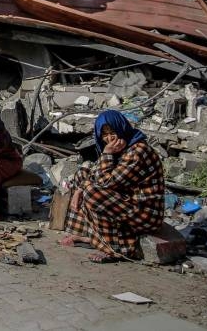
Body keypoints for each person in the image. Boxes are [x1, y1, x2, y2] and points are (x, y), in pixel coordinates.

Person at [59, 110, 164, 262]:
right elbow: (94, 173)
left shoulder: (137, 151)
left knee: (92, 192)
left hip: (146, 213)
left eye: (113, 132)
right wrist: (80, 189)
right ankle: (86, 234)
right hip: (128, 202)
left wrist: (107, 154)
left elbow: (107, 183)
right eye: (105, 135)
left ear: (121, 128)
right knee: (82, 175)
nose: (110, 138)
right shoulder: (120, 151)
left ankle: (116, 249)